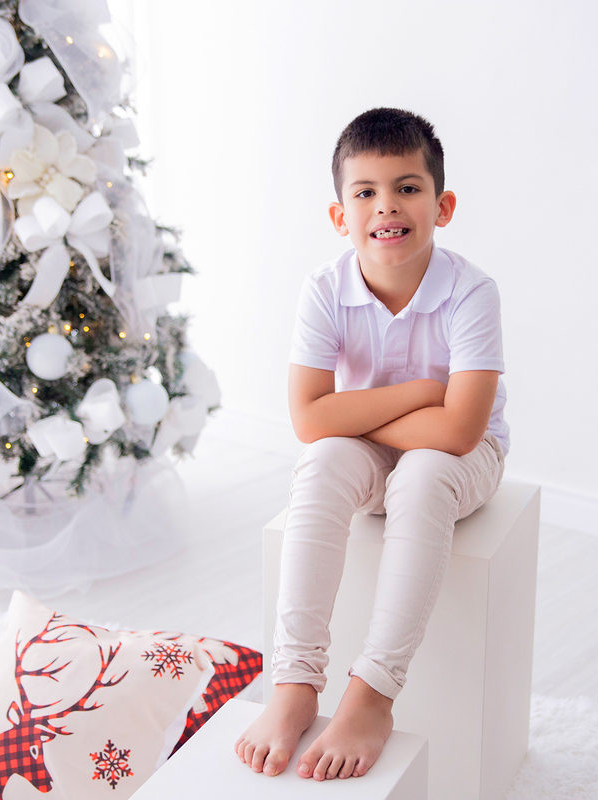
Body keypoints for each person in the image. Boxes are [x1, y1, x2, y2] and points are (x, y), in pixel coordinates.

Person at [234, 107, 509, 782]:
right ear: (340, 216)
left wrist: (349, 414)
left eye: (408, 188)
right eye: (365, 192)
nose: (387, 206)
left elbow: (459, 432)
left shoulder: (472, 293)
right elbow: (309, 422)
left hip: (463, 460)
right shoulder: (324, 290)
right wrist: (421, 391)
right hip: (367, 449)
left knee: (421, 475)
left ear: (442, 206)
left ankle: (373, 692)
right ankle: (294, 683)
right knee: (323, 459)